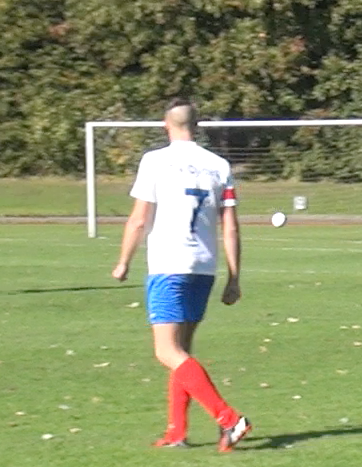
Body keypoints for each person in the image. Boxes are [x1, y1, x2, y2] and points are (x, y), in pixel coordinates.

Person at [110, 98, 251, 452]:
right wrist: (234, 277)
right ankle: (177, 432)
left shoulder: (155, 161)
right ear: (197, 125)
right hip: (203, 267)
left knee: (166, 350)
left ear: (165, 124)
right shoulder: (219, 164)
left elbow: (139, 218)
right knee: (182, 349)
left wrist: (123, 261)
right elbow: (230, 227)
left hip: (168, 264)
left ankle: (229, 419)